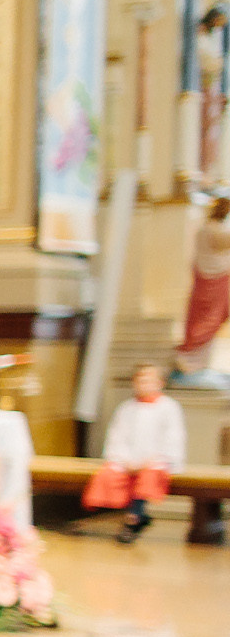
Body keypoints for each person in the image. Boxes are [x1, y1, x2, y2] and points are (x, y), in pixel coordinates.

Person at [87, 363, 188, 544]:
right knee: (109, 475)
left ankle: (133, 519)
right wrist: (125, 460)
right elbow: (116, 437)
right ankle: (136, 517)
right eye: (140, 380)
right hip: (128, 461)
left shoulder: (169, 408)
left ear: (160, 383)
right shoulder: (126, 408)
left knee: (148, 477)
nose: (144, 384)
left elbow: (173, 438)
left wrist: (150, 460)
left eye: (149, 380)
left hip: (155, 461)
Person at [171, 197, 230, 390]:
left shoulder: (209, 229)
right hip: (212, 283)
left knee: (209, 320)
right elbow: (223, 243)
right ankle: (191, 363)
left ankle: (199, 364)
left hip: (210, 281)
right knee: (206, 321)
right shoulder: (213, 230)